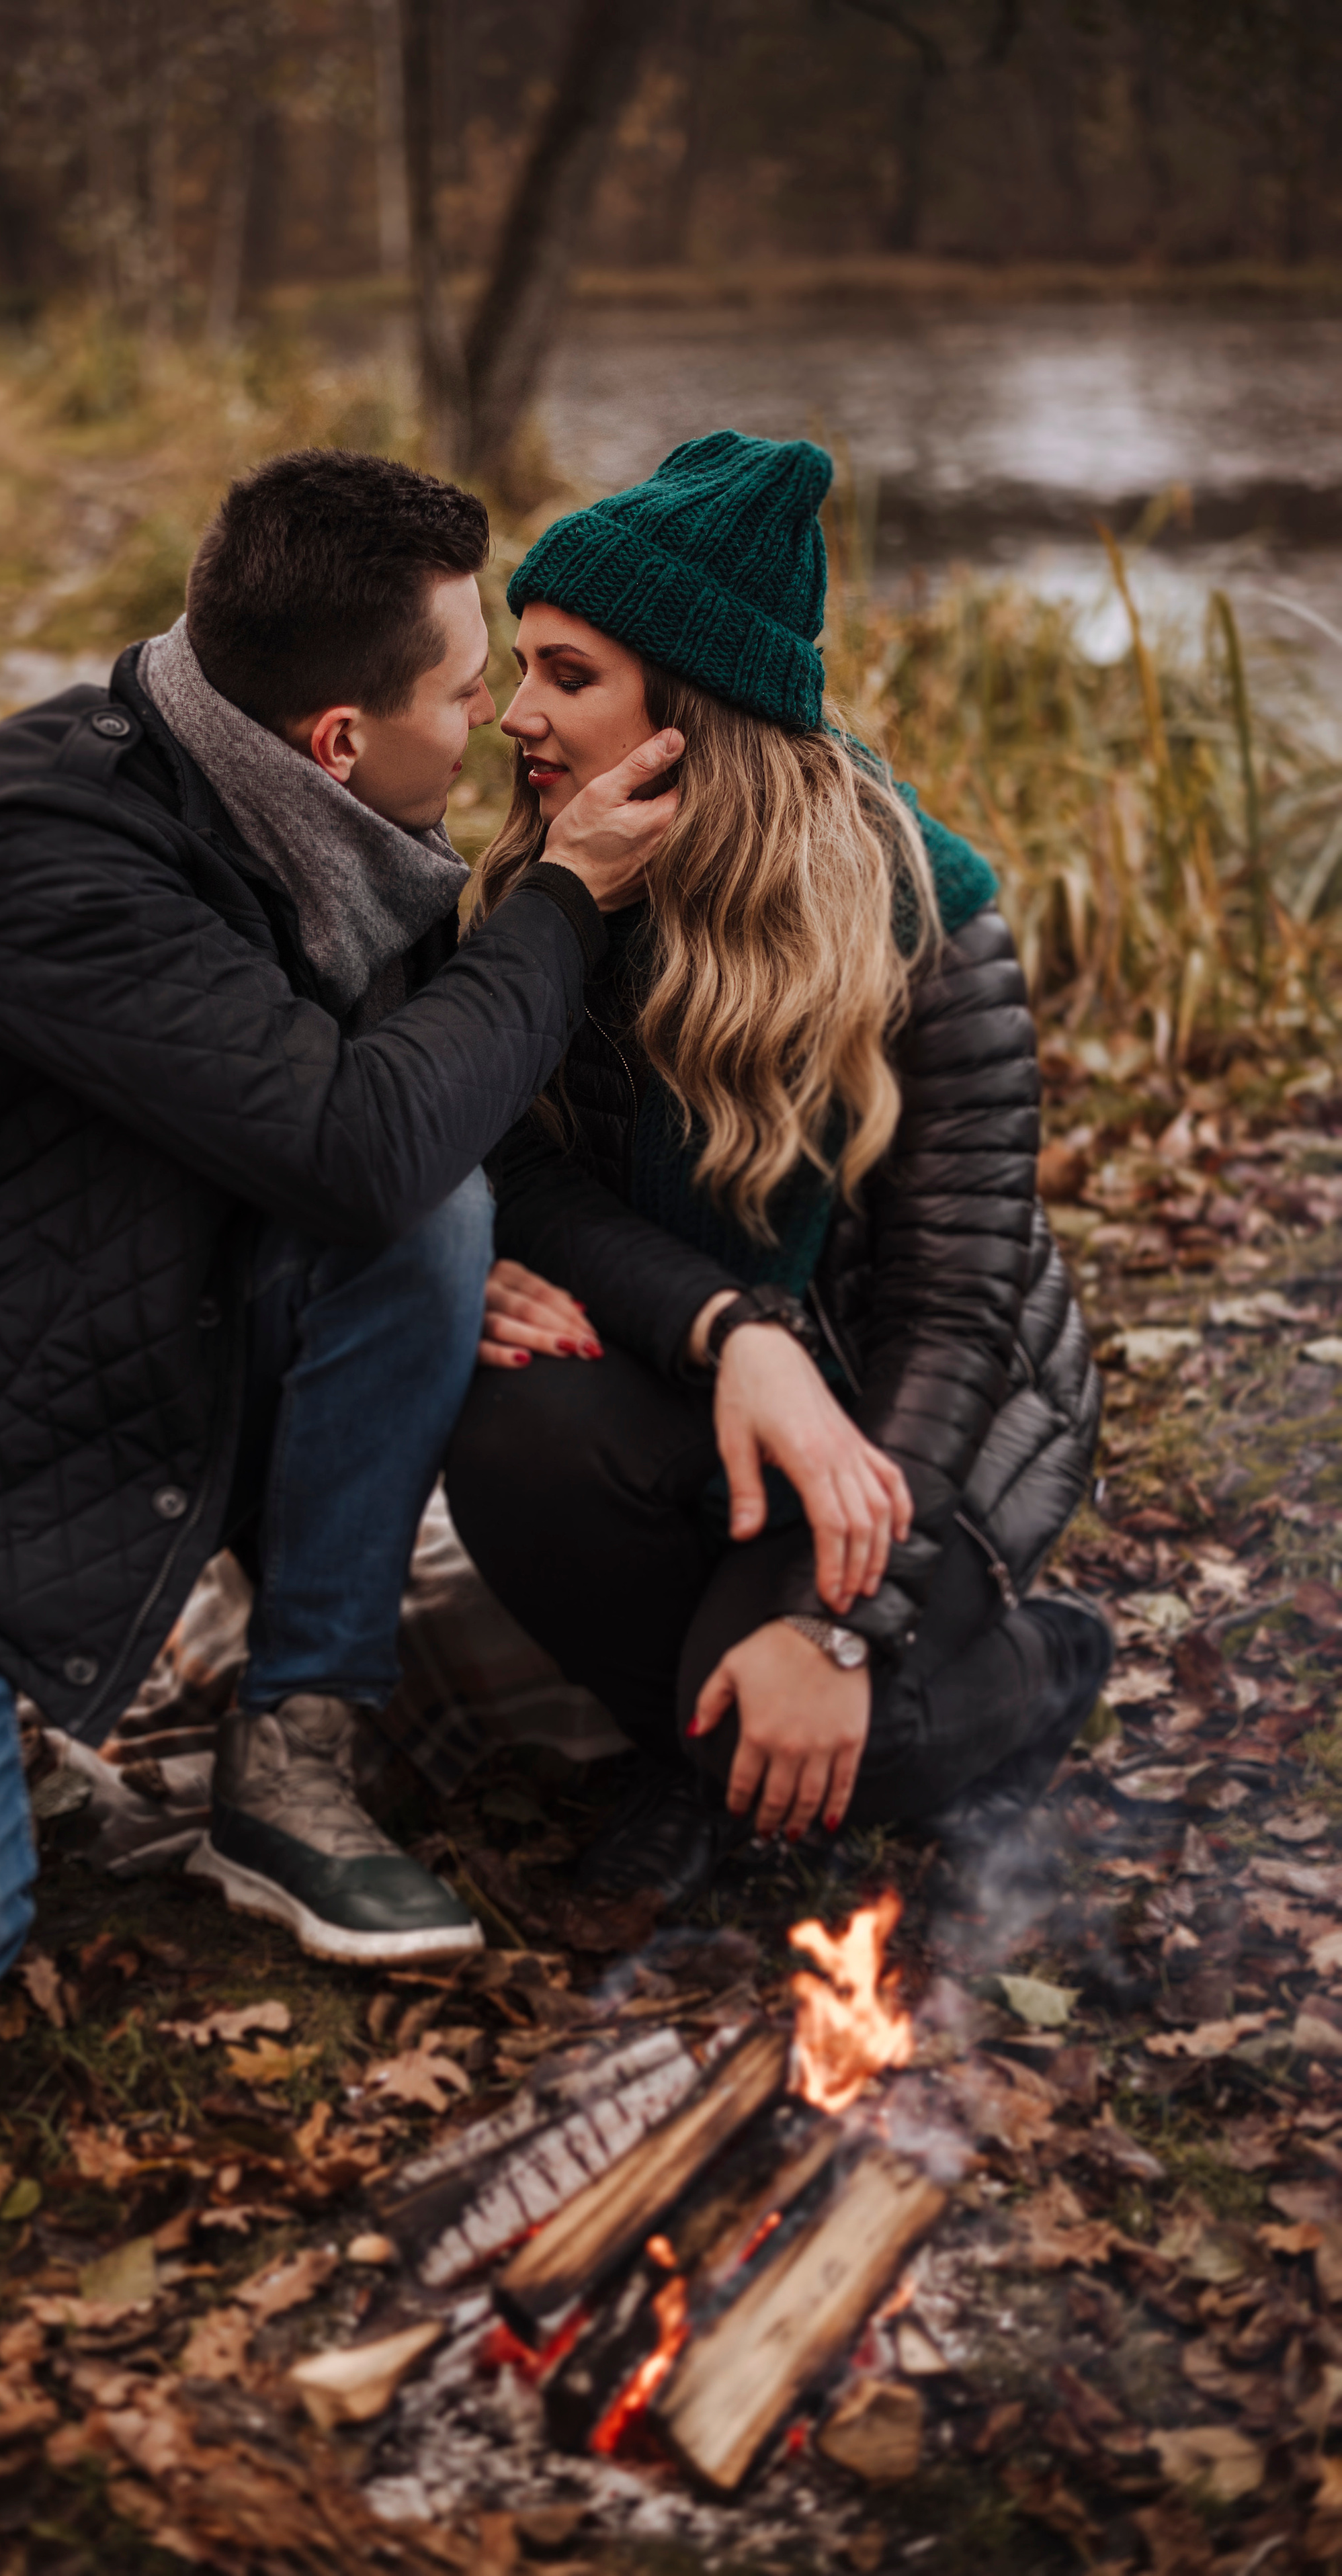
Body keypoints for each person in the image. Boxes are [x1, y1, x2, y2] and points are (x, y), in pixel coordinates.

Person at [0, 449, 682, 2034]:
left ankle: (293, 1755)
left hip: (168, 1373)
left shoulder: (352, 845)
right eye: (471, 689)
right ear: (340, 737)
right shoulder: (35, 842)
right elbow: (350, 1145)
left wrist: (450, 1261)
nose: (499, 722)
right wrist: (564, 900)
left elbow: (399, 1159)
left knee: (431, 1215)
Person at [444, 430, 1109, 1909]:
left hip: (913, 1406)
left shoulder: (924, 915)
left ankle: (1042, 1661)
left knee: (840, 1746)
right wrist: (727, 1331)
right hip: (714, 1371)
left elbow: (954, 1305)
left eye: (567, 675)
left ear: (687, 710)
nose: (517, 716)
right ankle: (686, 1743)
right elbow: (520, 1173)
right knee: (507, 1429)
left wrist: (830, 1627)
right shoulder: (556, 887)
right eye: (521, 665)